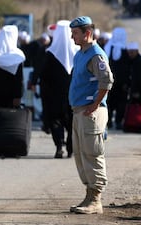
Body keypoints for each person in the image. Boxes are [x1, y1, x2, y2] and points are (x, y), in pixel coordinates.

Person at [69, 16, 114, 214]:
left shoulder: (96, 54)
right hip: (79, 110)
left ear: (87, 33)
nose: (72, 37)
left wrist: (95, 104)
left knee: (92, 154)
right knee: (80, 154)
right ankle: (89, 196)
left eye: (75, 33)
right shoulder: (80, 54)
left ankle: (96, 199)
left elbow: (106, 81)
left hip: (91, 111)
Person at [39, 20, 79, 158]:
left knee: (56, 120)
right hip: (74, 94)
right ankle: (70, 147)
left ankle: (58, 146)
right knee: (72, 120)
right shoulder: (78, 51)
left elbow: (43, 75)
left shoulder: (50, 53)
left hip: (54, 94)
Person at [104, 27, 130, 129]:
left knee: (109, 102)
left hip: (109, 80)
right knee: (121, 102)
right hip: (122, 82)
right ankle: (118, 121)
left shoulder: (107, 48)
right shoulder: (126, 49)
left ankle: (109, 120)